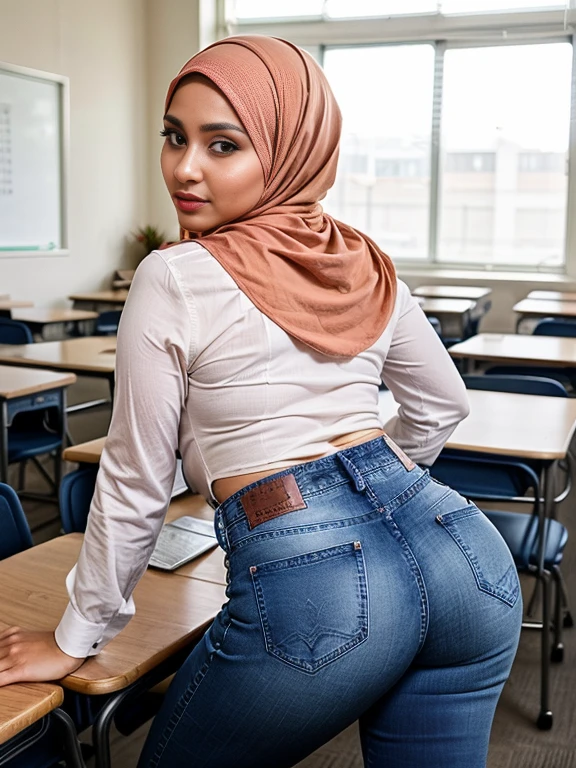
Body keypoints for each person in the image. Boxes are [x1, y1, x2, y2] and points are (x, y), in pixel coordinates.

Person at [0, 35, 522, 768]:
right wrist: (366, 486)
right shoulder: (364, 261)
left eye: (223, 145)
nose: (184, 167)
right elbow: (441, 405)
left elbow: (135, 482)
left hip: (320, 589)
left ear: (289, 150)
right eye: (174, 137)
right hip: (466, 551)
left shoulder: (174, 274)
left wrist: (73, 638)